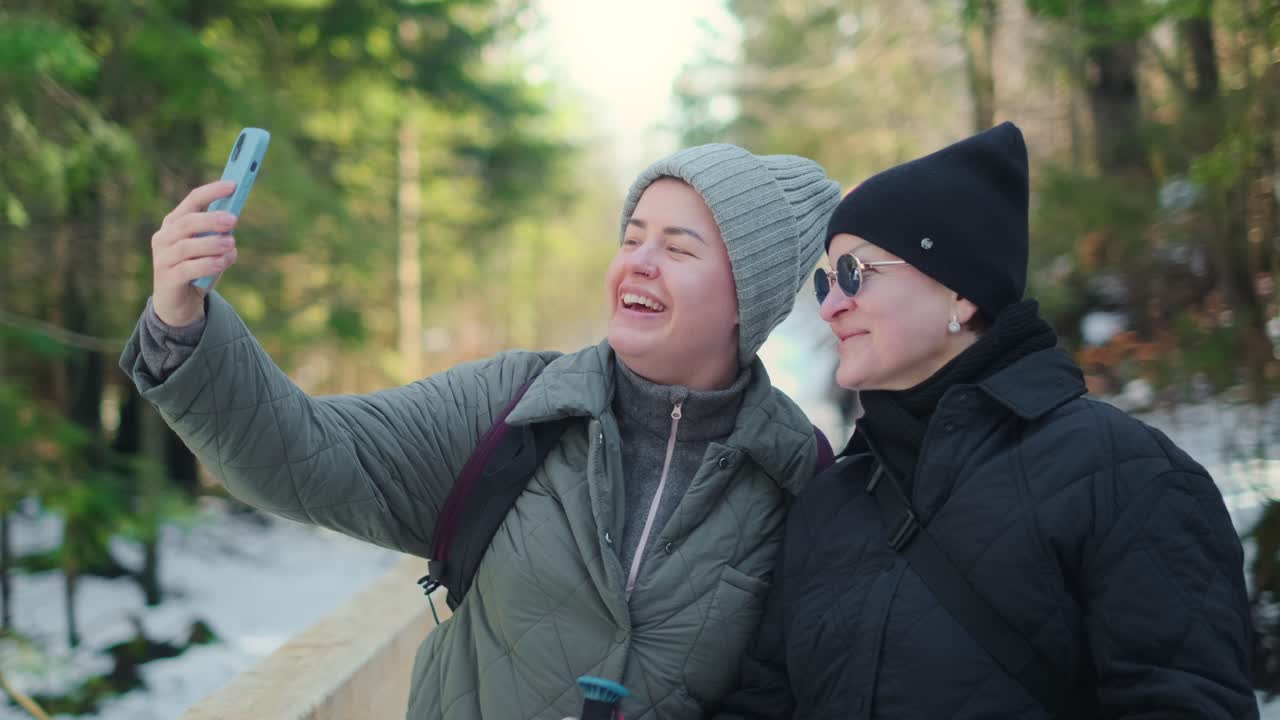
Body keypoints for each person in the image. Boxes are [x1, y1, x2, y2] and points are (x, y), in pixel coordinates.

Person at [120, 143, 842, 719]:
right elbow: (307, 456)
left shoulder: (796, 476)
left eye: (679, 248)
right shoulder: (516, 405)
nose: (638, 262)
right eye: (632, 236)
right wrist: (182, 325)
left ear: (747, 298)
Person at [714, 122, 1258, 719]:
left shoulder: (1125, 477)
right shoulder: (831, 502)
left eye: (854, 275)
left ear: (961, 293)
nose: (831, 305)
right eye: (825, 280)